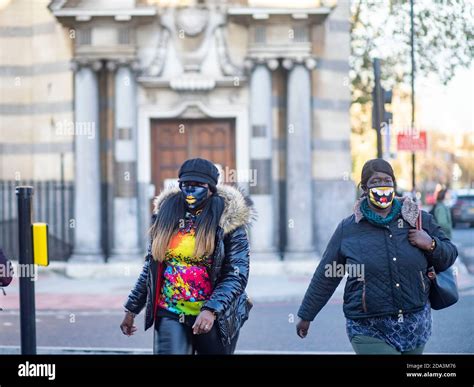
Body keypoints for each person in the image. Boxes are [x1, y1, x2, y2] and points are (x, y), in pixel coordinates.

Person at [296, 158, 458, 354]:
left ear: (394, 184)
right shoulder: (348, 229)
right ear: (365, 187)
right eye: (375, 182)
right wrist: (307, 314)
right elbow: (327, 274)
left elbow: (449, 255)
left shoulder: (418, 219)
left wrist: (431, 244)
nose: (382, 186)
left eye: (387, 180)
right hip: (368, 328)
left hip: (415, 326)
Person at [120, 158, 255, 354]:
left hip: (214, 317)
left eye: (198, 186)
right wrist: (131, 309)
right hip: (170, 312)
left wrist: (211, 310)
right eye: (185, 185)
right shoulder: (166, 216)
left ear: (210, 188)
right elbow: (151, 268)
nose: (190, 191)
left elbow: (236, 274)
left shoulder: (228, 223)